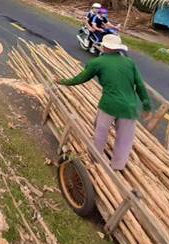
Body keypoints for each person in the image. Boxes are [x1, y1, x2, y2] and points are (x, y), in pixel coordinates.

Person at [57, 34, 152, 170]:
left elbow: (80, 79)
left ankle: (96, 160)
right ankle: (118, 166)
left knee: (101, 132)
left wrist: (62, 81)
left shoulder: (97, 62)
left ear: (104, 46)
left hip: (109, 105)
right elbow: (140, 85)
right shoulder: (129, 63)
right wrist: (147, 105)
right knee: (124, 139)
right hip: (129, 107)